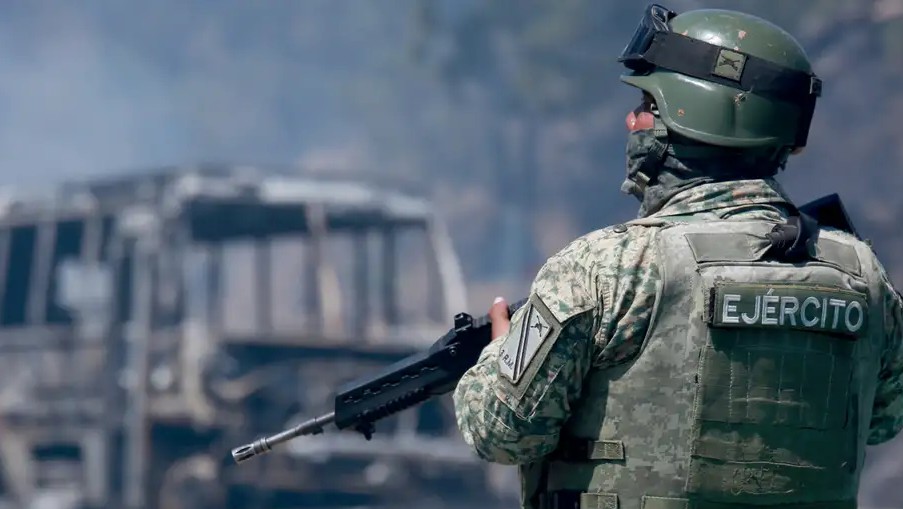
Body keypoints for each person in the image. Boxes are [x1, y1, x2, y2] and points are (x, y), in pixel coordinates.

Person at [452, 4, 903, 509]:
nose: (632, 118)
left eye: (647, 103)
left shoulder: (605, 267)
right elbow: (884, 420)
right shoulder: (862, 276)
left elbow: (500, 433)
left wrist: (498, 353)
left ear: (685, 117)